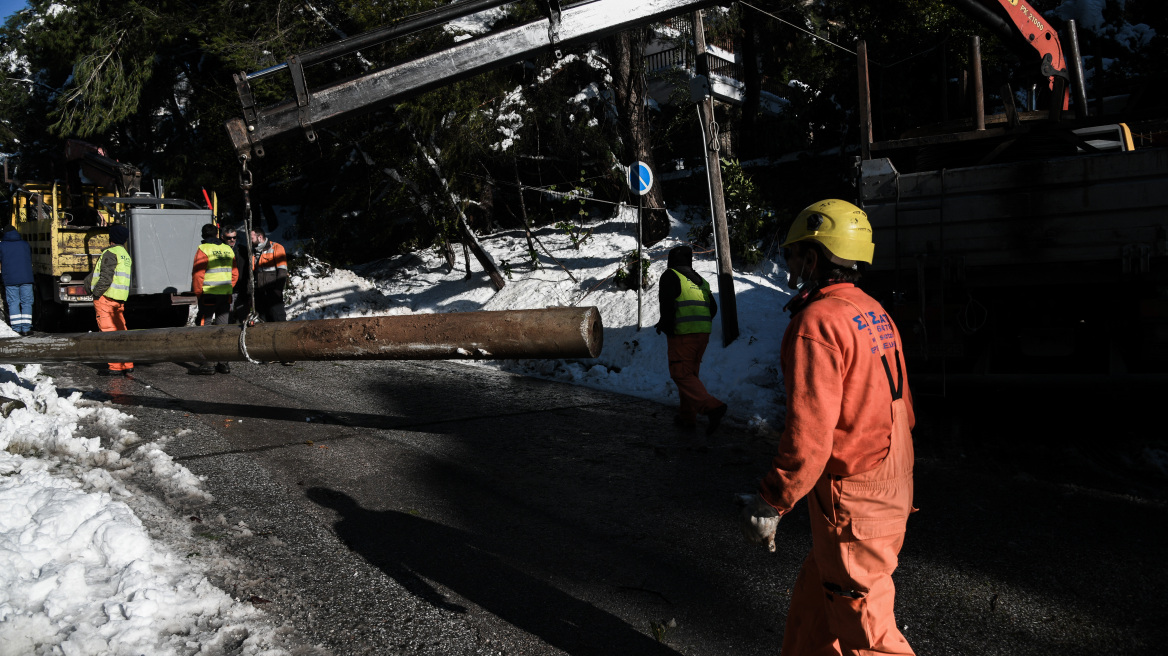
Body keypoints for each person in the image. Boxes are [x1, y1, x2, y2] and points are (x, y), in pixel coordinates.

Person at [739, 199, 915, 656]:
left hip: (853, 503)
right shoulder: (875, 312)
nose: (790, 264)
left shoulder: (816, 322)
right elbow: (902, 409)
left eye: (795, 254)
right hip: (889, 486)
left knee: (868, 635)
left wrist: (772, 500)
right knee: (815, 607)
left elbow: (809, 437)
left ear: (814, 258)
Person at [655, 245, 727, 435]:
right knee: (690, 375)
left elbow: (667, 305)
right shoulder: (700, 281)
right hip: (702, 334)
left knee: (680, 374)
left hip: (683, 334)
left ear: (671, 260)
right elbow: (712, 308)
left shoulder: (670, 276)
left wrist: (666, 326)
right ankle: (688, 417)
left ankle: (712, 407)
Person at [190, 224, 239, 375]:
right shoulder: (227, 249)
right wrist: (227, 287)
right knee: (222, 328)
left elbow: (198, 274)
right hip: (224, 295)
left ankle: (208, 364)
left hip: (209, 294)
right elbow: (235, 273)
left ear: (203, 235)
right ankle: (223, 363)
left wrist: (199, 293)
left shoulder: (203, 249)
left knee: (205, 327)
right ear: (218, 234)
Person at [87, 224, 134, 376]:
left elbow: (105, 277)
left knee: (109, 333)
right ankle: (127, 364)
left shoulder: (110, 253)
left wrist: (96, 293)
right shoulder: (125, 254)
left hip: (105, 299)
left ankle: (115, 367)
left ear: (111, 238)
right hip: (118, 300)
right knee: (121, 333)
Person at [249, 226, 293, 365]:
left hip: (273, 293)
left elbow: (282, 271)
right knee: (264, 322)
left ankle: (287, 355)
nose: (250, 240)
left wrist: (277, 291)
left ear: (260, 237)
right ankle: (270, 353)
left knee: (279, 322)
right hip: (260, 293)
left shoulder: (276, 247)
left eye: (252, 237)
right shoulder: (253, 251)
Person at [0, 223, 34, 335]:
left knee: (13, 303)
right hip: (26, 278)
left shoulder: (2, 245)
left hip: (10, 279)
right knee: (27, 302)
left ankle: (16, 329)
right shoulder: (25, 244)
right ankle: (26, 329)